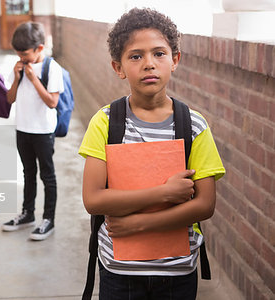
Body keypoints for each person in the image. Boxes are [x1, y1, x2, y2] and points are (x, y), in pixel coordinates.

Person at [78, 8, 226, 299]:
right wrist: (164, 193)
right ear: (118, 67)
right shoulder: (106, 122)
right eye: (136, 56)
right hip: (119, 271)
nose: (149, 64)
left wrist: (137, 223)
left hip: (177, 272)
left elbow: (205, 205)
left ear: (175, 60)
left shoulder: (193, 125)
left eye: (159, 53)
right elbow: (93, 199)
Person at [1, 22, 64, 241]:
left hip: (43, 131)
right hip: (22, 129)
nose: (22, 58)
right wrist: (18, 78)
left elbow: (52, 102)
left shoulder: (51, 68)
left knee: (47, 175)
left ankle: (48, 219)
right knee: (28, 173)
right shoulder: (18, 67)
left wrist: (33, 79)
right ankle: (27, 213)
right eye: (18, 54)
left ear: (40, 48)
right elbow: (10, 99)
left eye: (25, 53)